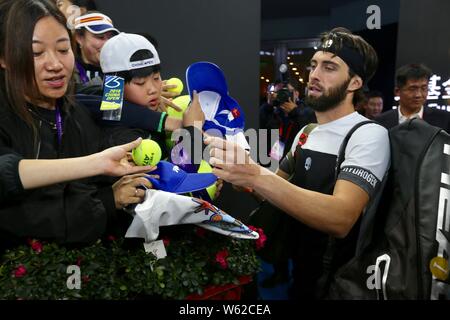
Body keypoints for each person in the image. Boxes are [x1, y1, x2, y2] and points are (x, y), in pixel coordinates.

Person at [206, 27, 390, 299]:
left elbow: (341, 218)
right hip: (299, 276)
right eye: (314, 65)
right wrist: (240, 174)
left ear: (354, 83)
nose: (314, 75)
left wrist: (256, 175)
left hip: (339, 285)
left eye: (329, 67)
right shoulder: (307, 133)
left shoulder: (368, 134)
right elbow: (275, 193)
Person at [0, 0, 151, 245]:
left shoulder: (75, 112)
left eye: (62, 50)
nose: (55, 65)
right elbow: (7, 176)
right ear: (5, 58)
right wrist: (95, 167)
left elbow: (108, 133)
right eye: (36, 53)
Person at [0, 138, 154, 202]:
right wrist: (108, 200)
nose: (54, 67)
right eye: (140, 83)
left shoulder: (77, 111)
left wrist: (99, 163)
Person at [376, 63, 450, 132]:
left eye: (423, 88)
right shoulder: (381, 122)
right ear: (397, 91)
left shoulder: (444, 119)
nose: (418, 95)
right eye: (412, 89)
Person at [73, 11, 119, 88]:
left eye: (110, 37)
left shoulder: (121, 70)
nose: (107, 43)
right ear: (79, 38)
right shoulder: (67, 72)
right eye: (100, 37)